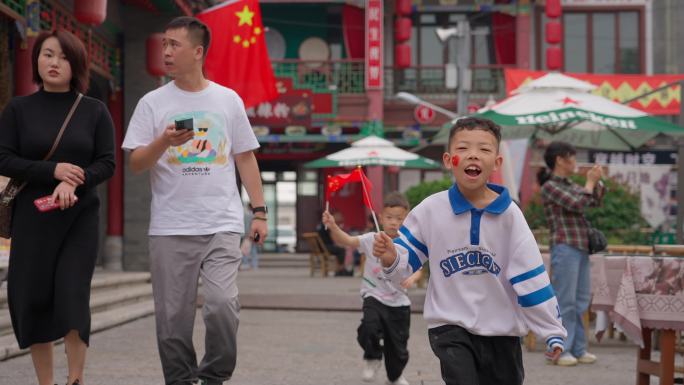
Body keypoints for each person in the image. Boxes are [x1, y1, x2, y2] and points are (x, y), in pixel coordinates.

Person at [121, 17, 268, 385]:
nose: (166, 51)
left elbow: (245, 157)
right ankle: (181, 381)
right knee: (172, 322)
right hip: (170, 227)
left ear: (198, 52)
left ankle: (215, 376)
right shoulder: (152, 103)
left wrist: (260, 212)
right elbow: (135, 163)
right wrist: (164, 143)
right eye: (165, 44)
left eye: (174, 45)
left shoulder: (227, 99)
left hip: (221, 222)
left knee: (221, 306)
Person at [373, 117, 566, 385]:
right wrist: (390, 255)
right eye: (463, 148)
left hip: (502, 332)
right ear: (448, 159)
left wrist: (551, 330)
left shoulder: (510, 217)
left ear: (497, 163)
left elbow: (530, 278)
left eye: (484, 149)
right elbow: (405, 262)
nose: (473, 155)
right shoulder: (430, 210)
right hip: (449, 327)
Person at [0, 29, 115, 385]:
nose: (54, 62)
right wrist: (53, 170)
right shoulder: (19, 109)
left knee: (72, 295)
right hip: (33, 219)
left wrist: (74, 179)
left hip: (78, 218)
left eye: (64, 57)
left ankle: (75, 379)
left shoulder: (94, 110)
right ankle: (45, 382)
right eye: (48, 54)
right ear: (37, 59)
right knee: (31, 298)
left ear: (76, 64)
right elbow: (4, 158)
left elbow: (107, 162)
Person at [322, 192, 421, 385]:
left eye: (399, 218)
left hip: (399, 302)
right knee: (369, 327)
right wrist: (333, 226)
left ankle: (395, 376)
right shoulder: (371, 238)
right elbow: (347, 241)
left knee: (398, 346)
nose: (394, 222)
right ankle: (372, 357)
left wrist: (413, 277)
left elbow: (418, 268)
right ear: (381, 218)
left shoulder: (409, 242)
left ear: (407, 219)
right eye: (389, 218)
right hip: (373, 295)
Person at [538, 141, 604, 367]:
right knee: (565, 301)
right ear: (560, 160)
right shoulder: (550, 187)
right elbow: (578, 203)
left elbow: (593, 200)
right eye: (572, 157)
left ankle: (578, 348)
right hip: (565, 246)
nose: (575, 161)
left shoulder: (568, 184)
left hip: (581, 246)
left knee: (581, 302)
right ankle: (560, 350)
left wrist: (596, 181)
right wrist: (589, 182)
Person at [316, 211, 350, 276]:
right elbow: (334, 239)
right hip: (325, 247)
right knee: (342, 250)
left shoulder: (320, 225)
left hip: (320, 247)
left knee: (339, 249)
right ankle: (341, 269)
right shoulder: (327, 225)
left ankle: (340, 269)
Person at [240, 204, 259, 270]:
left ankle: (245, 264)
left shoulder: (246, 215)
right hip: (254, 235)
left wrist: (246, 235)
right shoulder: (255, 216)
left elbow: (246, 226)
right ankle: (254, 265)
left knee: (245, 250)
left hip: (247, 235)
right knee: (254, 250)